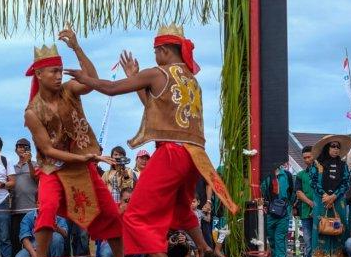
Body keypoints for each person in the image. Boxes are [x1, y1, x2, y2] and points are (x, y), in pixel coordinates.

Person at [65, 23, 237, 257]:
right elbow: (157, 111)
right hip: (195, 157)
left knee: (136, 216)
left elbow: (112, 88)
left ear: (165, 49)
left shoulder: (159, 73)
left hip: (172, 154)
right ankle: (206, 248)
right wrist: (135, 78)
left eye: (155, 51)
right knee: (180, 207)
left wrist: (87, 79)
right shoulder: (191, 80)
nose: (154, 56)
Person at [23, 28, 123, 257]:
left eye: (60, 71)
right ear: (39, 74)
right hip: (53, 170)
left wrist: (76, 48)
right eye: (54, 71)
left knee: (110, 214)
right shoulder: (32, 112)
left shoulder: (69, 91)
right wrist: (83, 157)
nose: (59, 76)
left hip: (83, 167)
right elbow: (48, 150)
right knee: (47, 209)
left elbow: (92, 82)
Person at [308, 134, 351, 257]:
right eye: (333, 146)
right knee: (321, 228)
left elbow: (346, 182)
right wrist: (325, 195)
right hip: (321, 202)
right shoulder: (316, 164)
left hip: (338, 203)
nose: (336, 149)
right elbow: (313, 182)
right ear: (327, 148)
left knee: (338, 227)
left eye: (338, 147)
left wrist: (334, 196)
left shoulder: (344, 165)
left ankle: (338, 253)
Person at [12, 138, 39, 255]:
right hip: (16, 209)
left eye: (25, 146)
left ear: (29, 149)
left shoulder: (35, 164)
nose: (22, 148)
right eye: (19, 146)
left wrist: (28, 162)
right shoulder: (12, 168)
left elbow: (36, 178)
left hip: (31, 208)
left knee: (33, 239)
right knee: (15, 239)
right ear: (15, 149)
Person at [261, 163, 295, 257]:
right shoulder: (265, 175)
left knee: (280, 239)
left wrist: (288, 207)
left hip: (283, 213)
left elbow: (292, 193)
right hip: (269, 213)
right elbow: (262, 192)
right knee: (271, 239)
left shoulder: (287, 175)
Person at [295, 146, 316, 257]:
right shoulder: (300, 175)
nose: (307, 159)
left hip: (321, 214)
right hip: (306, 213)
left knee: (319, 242)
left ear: (314, 156)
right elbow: (298, 192)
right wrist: (310, 203)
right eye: (305, 157)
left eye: (309, 157)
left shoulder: (321, 172)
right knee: (308, 243)